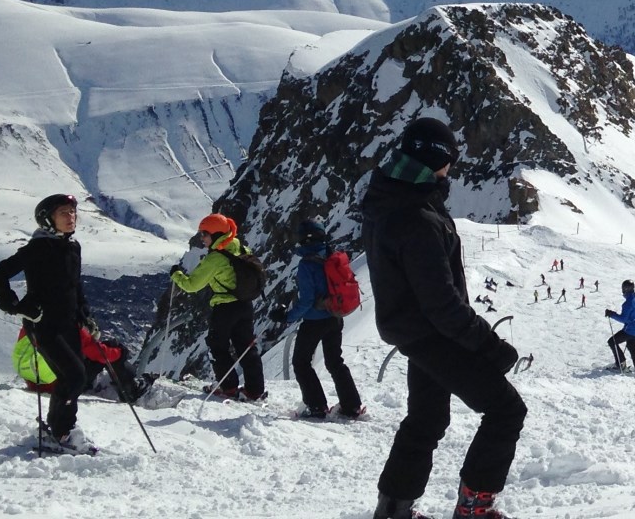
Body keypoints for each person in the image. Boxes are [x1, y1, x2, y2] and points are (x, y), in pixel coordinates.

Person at [366, 117, 525, 519]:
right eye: (450, 160)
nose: (452, 169)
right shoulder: (416, 217)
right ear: (436, 159)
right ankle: (474, 508)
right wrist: (492, 347)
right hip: (434, 335)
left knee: (427, 418)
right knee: (506, 410)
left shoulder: (393, 197)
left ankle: (393, 510)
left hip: (414, 333)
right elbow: (442, 305)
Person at [0, 193, 100, 455]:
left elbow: (75, 286)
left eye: (73, 212)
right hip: (44, 324)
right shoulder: (38, 248)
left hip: (68, 322)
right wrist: (17, 306)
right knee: (74, 375)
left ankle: (58, 428)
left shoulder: (73, 247)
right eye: (64, 212)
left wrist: (85, 315)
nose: (71, 217)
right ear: (48, 219)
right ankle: (61, 431)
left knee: (71, 376)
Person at [169, 209, 265, 401]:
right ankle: (255, 390)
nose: (202, 238)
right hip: (245, 305)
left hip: (225, 308)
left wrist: (176, 275)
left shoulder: (216, 258)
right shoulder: (241, 249)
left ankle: (228, 387)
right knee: (246, 347)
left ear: (215, 235)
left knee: (217, 345)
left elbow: (192, 285)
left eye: (205, 234)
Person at [279, 219, 364, 419]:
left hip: (314, 322)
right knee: (335, 361)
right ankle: (351, 406)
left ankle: (316, 406)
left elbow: (307, 300)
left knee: (301, 362)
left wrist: (288, 317)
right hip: (335, 316)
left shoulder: (307, 265)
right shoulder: (333, 257)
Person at [604, 280, 635, 372]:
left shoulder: (628, 303)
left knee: (612, 341)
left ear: (625, 289)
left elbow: (623, 318)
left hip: (631, 330)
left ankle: (621, 363)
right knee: (631, 345)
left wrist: (611, 314)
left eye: (623, 288)